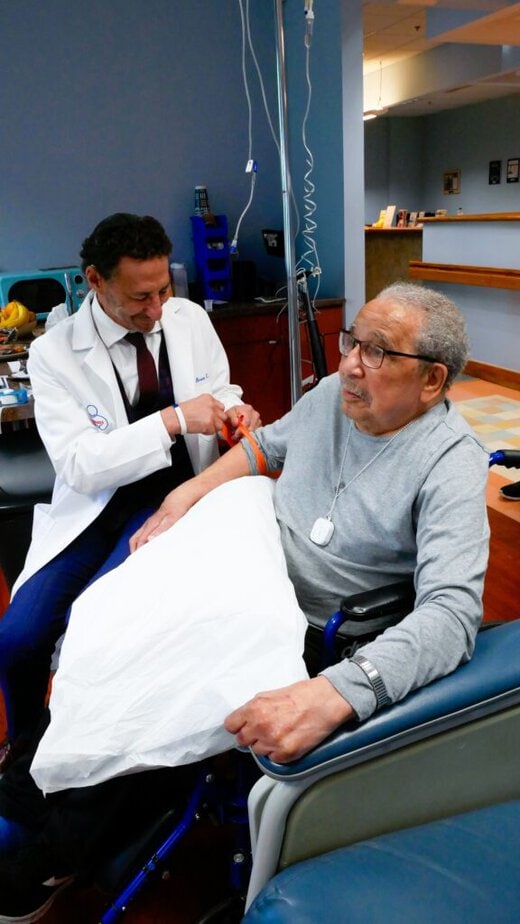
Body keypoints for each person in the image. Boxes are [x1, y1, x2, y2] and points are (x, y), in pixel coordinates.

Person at [0, 282, 489, 921]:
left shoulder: (451, 464)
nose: (348, 364)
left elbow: (452, 615)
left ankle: (61, 843)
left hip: (317, 627)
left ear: (432, 381)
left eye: (376, 352)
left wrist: (338, 691)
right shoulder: (330, 401)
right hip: (247, 564)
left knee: (171, 688)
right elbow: (265, 446)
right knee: (118, 627)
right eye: (352, 343)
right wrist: (187, 495)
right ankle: (39, 777)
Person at [0, 212, 260, 773]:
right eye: (140, 297)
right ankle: (25, 759)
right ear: (94, 281)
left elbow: (219, 388)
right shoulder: (54, 354)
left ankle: (99, 769)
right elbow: (80, 464)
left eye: (163, 290)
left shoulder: (189, 320)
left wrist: (234, 410)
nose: (156, 309)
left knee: (97, 629)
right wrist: (170, 420)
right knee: (19, 638)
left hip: (182, 502)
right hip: (97, 510)